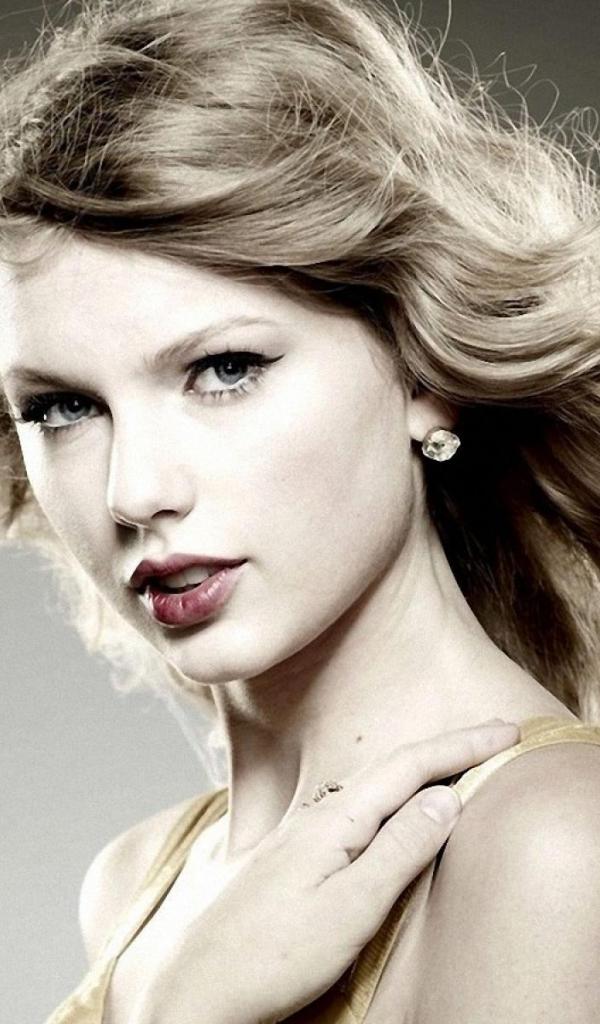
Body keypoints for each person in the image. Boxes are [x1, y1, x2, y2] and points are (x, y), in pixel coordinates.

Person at [1, 0, 600, 1020]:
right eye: (62, 408)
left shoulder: (556, 849)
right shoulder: (138, 884)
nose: (134, 491)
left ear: (421, 369)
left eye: (225, 368)